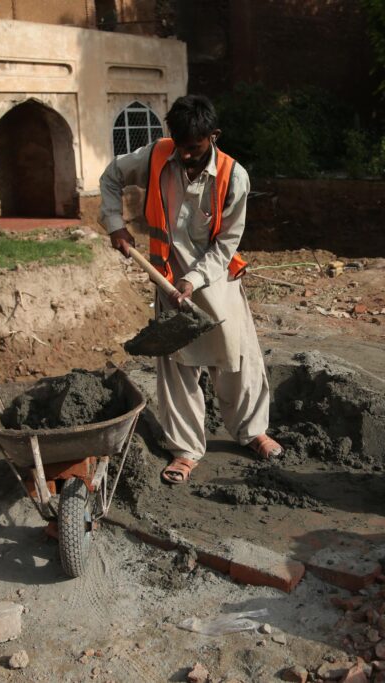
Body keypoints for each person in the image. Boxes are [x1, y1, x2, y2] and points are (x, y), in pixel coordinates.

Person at [99, 94, 282, 484]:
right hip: (167, 280)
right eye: (179, 147)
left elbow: (226, 244)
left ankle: (252, 432)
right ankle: (185, 450)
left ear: (213, 136)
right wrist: (115, 223)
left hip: (217, 281)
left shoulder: (235, 177)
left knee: (236, 359)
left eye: (194, 148)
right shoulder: (155, 156)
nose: (184, 156)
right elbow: (111, 177)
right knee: (178, 368)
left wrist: (192, 280)